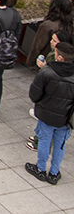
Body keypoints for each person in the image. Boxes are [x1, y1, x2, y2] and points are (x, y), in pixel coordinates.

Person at [26, 41, 74, 184]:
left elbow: (34, 94)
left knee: (44, 141)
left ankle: (40, 169)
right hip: (66, 119)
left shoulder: (47, 73)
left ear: (60, 58)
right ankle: (54, 173)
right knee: (60, 144)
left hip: (47, 115)